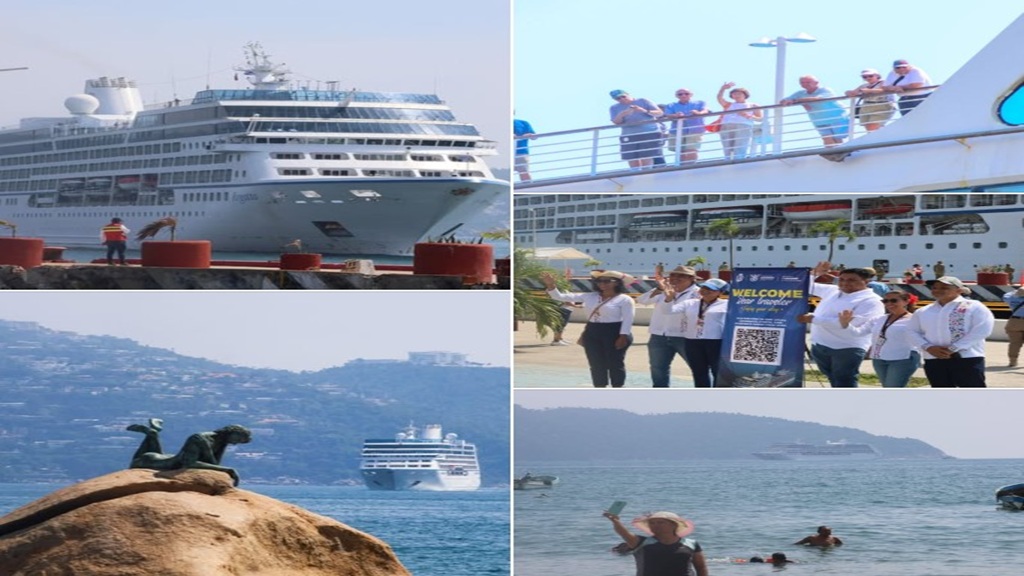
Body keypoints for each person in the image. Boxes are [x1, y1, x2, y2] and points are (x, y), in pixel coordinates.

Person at [799, 263, 886, 387]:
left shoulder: (872, 301)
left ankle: (847, 405)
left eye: (852, 280)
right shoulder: (833, 290)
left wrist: (814, 319)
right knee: (832, 378)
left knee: (844, 381)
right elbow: (805, 286)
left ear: (866, 281)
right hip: (820, 345)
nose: (845, 283)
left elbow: (851, 324)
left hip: (847, 348)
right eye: (842, 279)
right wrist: (815, 273)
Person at [542, 270, 635, 387]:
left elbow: (628, 319)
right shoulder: (590, 296)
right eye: (599, 281)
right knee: (596, 363)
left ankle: (618, 388)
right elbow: (559, 297)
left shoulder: (624, 299)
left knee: (615, 363)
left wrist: (623, 336)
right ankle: (599, 387)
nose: (602, 284)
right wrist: (551, 285)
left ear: (617, 283)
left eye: (606, 281)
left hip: (615, 331)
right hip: (593, 331)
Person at [905, 276, 995, 387]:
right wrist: (928, 347)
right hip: (934, 358)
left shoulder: (974, 307)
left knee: (972, 395)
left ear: (959, 290)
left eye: (944, 287)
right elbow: (911, 331)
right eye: (934, 288)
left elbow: (982, 329)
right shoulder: (924, 311)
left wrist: (953, 348)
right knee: (943, 396)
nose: (938, 290)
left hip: (966, 358)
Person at [126, 418, 252, 486]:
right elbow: (189, 464)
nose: (236, 443)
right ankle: (152, 433)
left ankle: (153, 433)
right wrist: (228, 470)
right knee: (139, 462)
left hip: (168, 459)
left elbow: (214, 465)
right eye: (238, 439)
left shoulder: (222, 442)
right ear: (232, 432)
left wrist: (222, 469)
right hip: (149, 461)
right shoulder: (199, 438)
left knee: (163, 456)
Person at [839, 289, 921, 387]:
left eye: (894, 300)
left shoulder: (914, 319)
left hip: (902, 358)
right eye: (885, 301)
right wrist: (846, 324)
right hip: (879, 358)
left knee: (893, 388)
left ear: (906, 301)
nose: (889, 303)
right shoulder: (878, 319)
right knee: (886, 387)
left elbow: (924, 338)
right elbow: (858, 333)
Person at [636, 265, 699, 387]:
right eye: (672, 275)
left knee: (698, 368)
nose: (675, 278)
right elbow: (642, 300)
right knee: (658, 369)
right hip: (659, 336)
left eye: (681, 276)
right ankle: (661, 396)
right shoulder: (662, 290)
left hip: (685, 337)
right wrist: (660, 288)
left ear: (691, 278)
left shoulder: (698, 293)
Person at [604, 510, 709, 576]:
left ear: (674, 525)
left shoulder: (691, 543)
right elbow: (624, 533)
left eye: (660, 522)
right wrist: (616, 522)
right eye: (652, 523)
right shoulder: (642, 542)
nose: (655, 525)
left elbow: (701, 567)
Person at [672, 278, 730, 388]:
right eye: (704, 287)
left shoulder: (727, 304)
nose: (706, 291)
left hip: (715, 342)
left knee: (717, 372)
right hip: (692, 341)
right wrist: (668, 298)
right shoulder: (690, 303)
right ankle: (702, 395)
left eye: (711, 289)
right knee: (698, 372)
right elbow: (669, 310)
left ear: (720, 292)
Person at [780, 75, 849, 147]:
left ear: (816, 83)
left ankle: (840, 152)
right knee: (826, 137)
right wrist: (786, 101)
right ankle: (832, 153)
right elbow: (784, 100)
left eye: (808, 82)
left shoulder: (825, 90)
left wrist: (797, 101)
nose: (805, 84)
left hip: (837, 117)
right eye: (802, 83)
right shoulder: (800, 93)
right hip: (818, 119)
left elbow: (817, 99)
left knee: (838, 137)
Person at [609, 90, 663, 170]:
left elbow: (659, 113)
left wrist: (643, 110)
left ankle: (646, 172)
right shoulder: (614, 108)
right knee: (631, 156)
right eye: (618, 98)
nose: (622, 99)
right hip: (629, 134)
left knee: (646, 155)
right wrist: (622, 114)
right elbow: (616, 122)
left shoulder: (643, 101)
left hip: (648, 132)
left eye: (623, 96)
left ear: (628, 94)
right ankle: (635, 173)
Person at [662, 88, 709, 164]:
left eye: (686, 93)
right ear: (676, 96)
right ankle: (682, 166)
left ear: (691, 95)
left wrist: (698, 113)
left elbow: (705, 110)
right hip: (677, 130)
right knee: (680, 151)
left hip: (695, 129)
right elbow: (668, 115)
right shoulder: (671, 105)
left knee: (692, 149)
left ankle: (691, 166)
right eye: (680, 94)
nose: (683, 95)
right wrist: (676, 115)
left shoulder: (700, 103)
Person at [716, 82, 762, 160]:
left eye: (739, 93)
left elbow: (760, 118)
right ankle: (727, 160)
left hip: (743, 125)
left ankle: (739, 160)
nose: (736, 95)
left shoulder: (753, 105)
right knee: (727, 146)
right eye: (734, 94)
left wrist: (748, 116)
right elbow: (719, 98)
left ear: (745, 95)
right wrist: (723, 88)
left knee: (741, 145)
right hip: (727, 125)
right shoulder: (728, 104)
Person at [1004, 287, 1024, 367]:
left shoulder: (1011, 299)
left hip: (1014, 322)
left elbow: (1005, 295)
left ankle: (1013, 361)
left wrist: (1015, 292)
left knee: (1014, 344)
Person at [513, 116, 536, 182]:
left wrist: (529, 135)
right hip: (508, 153)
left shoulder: (523, 123)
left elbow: (534, 137)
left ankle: (528, 187)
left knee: (524, 172)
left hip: (521, 152)